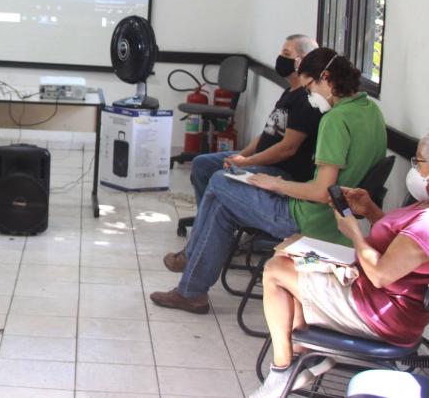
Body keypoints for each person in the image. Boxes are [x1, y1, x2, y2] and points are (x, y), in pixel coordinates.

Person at [151, 48, 387, 313]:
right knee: (222, 204)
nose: (309, 96)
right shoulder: (371, 111)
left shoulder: (335, 120)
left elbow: (322, 192)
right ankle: (191, 288)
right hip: (338, 222)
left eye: (310, 87)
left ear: (327, 78)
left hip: (311, 220)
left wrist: (274, 184)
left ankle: (191, 278)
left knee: (218, 181)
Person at [249, 132, 429, 398]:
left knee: (276, 272)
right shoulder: (423, 206)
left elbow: (381, 274)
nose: (415, 168)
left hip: (381, 312)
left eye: (420, 161)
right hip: (370, 292)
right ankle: (304, 355)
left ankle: (283, 369)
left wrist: (354, 232)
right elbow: (396, 244)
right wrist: (369, 210)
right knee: (289, 260)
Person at [164, 34, 322, 272]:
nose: (280, 59)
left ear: (303, 61)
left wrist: (246, 162)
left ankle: (196, 250)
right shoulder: (288, 92)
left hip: (280, 172)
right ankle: (212, 231)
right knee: (203, 164)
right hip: (261, 159)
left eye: (287, 55)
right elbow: (267, 135)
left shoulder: (306, 101)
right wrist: (242, 155)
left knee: (221, 178)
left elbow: (286, 148)